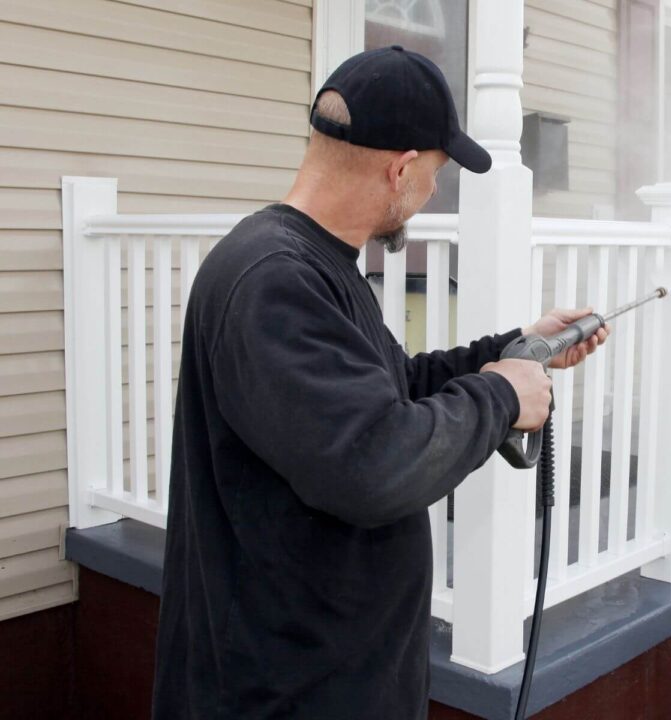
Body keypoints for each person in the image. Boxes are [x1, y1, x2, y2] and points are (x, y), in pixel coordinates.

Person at [151, 46, 607, 719]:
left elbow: (393, 385)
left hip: (331, 672)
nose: (431, 194)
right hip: (287, 690)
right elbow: (373, 463)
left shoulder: (310, 263)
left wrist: (514, 349)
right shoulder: (275, 281)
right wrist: (503, 395)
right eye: (435, 175)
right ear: (400, 169)